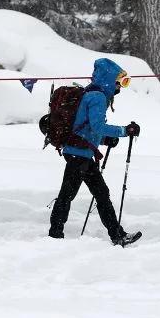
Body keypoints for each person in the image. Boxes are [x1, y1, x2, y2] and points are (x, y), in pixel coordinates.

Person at [48, 58, 142, 247]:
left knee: (98, 193)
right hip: (78, 153)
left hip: (80, 152)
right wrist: (124, 131)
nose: (120, 87)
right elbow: (97, 125)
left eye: (124, 82)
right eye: (120, 82)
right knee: (69, 194)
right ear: (109, 79)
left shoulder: (93, 94)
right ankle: (54, 236)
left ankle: (117, 235)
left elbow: (85, 127)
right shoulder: (97, 97)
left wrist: (105, 139)